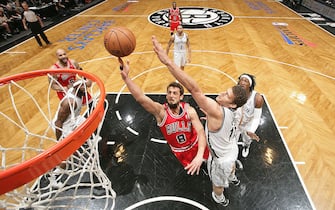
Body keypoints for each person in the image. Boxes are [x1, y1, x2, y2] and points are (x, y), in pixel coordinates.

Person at [152, 35, 248, 206]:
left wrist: (167, 61)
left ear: (232, 104)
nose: (221, 94)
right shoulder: (237, 111)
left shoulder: (217, 112)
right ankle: (232, 176)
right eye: (226, 91)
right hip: (231, 148)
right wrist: (213, 121)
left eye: (226, 95)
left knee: (217, 183)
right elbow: (229, 123)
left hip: (219, 159)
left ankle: (219, 198)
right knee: (231, 164)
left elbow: (193, 88)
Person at [118, 57, 209, 176]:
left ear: (181, 97)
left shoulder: (189, 110)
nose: (171, 95)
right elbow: (141, 98)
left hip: (197, 145)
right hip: (180, 152)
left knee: (211, 165)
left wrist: (199, 155)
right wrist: (126, 79)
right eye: (169, 93)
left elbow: (201, 131)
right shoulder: (161, 112)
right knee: (196, 172)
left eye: (175, 93)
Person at [50, 80, 87, 188]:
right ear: (76, 89)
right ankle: (53, 178)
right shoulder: (70, 102)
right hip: (63, 128)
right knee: (66, 157)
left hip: (72, 121)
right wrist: (60, 141)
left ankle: (87, 140)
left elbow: (86, 82)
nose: (85, 88)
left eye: (85, 87)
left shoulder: (77, 91)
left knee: (85, 122)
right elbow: (58, 122)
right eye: (82, 87)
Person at [235, 73, 264, 158]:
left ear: (250, 85)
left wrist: (251, 130)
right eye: (241, 80)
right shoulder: (235, 93)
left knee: (247, 139)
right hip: (236, 121)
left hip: (248, 123)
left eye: (246, 81)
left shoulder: (257, 98)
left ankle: (246, 146)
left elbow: (256, 118)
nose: (243, 82)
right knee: (233, 140)